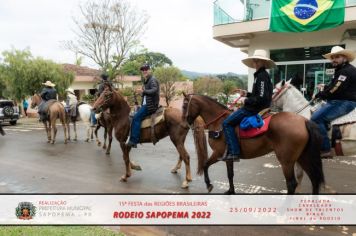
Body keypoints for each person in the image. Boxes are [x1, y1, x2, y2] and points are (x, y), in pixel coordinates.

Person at [220, 49, 275, 162]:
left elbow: (261, 98)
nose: (254, 63)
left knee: (226, 123)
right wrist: (246, 93)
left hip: (253, 109)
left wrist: (246, 101)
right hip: (257, 107)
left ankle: (234, 152)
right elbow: (260, 94)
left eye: (256, 61)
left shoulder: (261, 76)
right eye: (254, 61)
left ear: (261, 62)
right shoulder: (261, 75)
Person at [311, 46, 356, 158]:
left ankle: (325, 149)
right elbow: (335, 86)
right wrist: (325, 87)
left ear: (345, 58)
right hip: (341, 100)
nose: (333, 60)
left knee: (316, 118)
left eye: (337, 57)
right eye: (332, 57)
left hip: (343, 102)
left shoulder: (345, 71)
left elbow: (335, 89)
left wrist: (320, 94)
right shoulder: (342, 70)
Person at [126, 64, 160, 148]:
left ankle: (134, 140)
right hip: (146, 104)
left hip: (150, 105)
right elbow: (147, 94)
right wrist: (141, 93)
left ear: (149, 70)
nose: (144, 71)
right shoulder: (146, 80)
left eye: (146, 69)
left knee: (136, 117)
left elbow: (154, 90)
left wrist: (143, 91)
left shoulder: (152, 80)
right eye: (143, 70)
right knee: (133, 115)